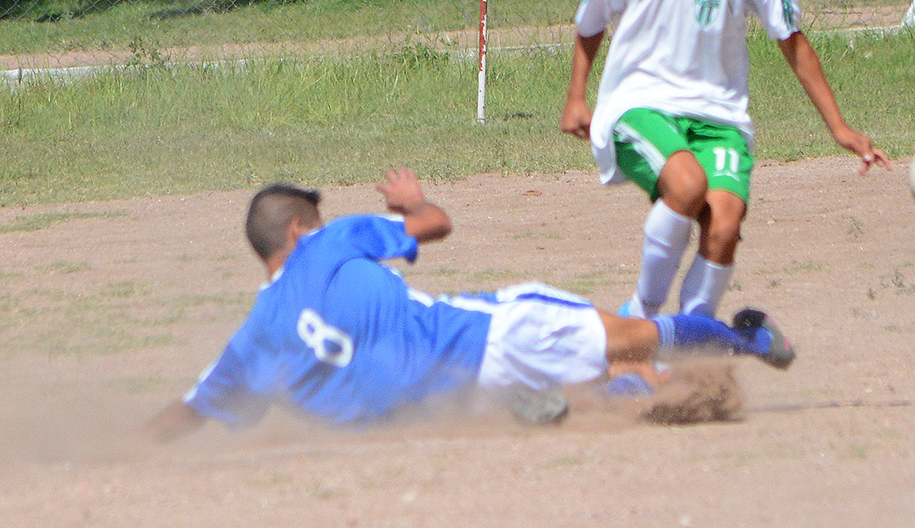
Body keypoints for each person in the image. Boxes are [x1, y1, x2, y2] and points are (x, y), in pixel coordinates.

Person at [145, 168, 794, 441]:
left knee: (570, 381)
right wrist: (408, 201)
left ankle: (603, 397)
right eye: (317, 216)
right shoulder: (329, 242)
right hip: (490, 335)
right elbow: (436, 224)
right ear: (299, 229)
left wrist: (113, 449)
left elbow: (190, 411)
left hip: (444, 405)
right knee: (629, 335)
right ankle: (743, 339)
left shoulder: (252, 341)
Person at [560, 0, 890, 321]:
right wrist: (577, 96)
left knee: (725, 222)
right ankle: (640, 320)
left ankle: (692, 342)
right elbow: (590, 25)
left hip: (719, 115)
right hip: (637, 105)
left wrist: (840, 127)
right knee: (687, 186)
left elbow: (793, 42)